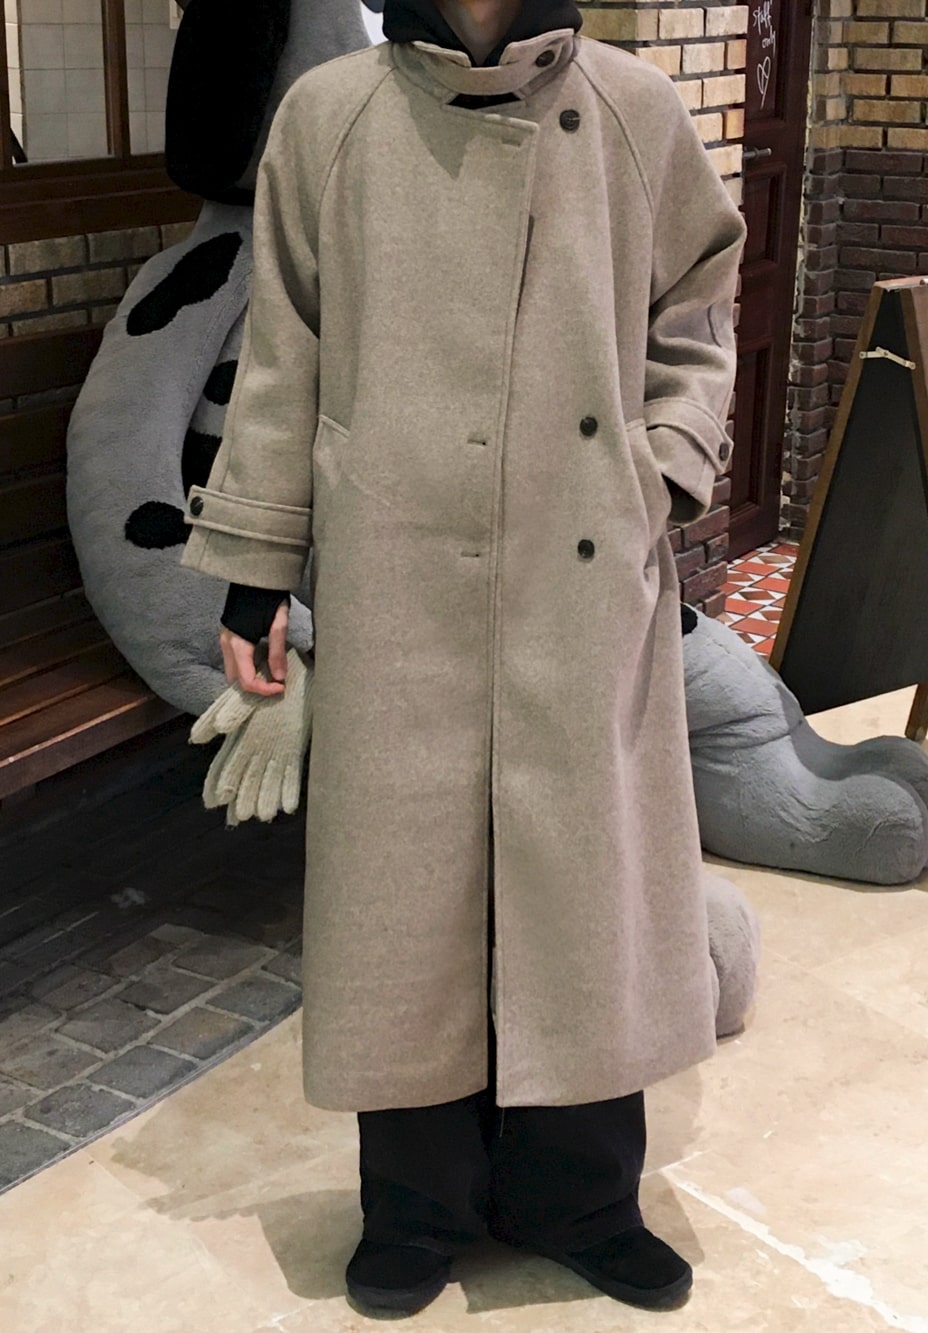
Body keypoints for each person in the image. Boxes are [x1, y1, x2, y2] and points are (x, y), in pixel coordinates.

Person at [181, 0, 746, 1316]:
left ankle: (585, 1197)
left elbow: (696, 310)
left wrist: (657, 470)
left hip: (581, 572)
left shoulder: (635, 111)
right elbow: (282, 352)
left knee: (582, 888)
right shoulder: (330, 117)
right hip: (394, 574)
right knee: (405, 898)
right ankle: (415, 1205)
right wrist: (259, 569)